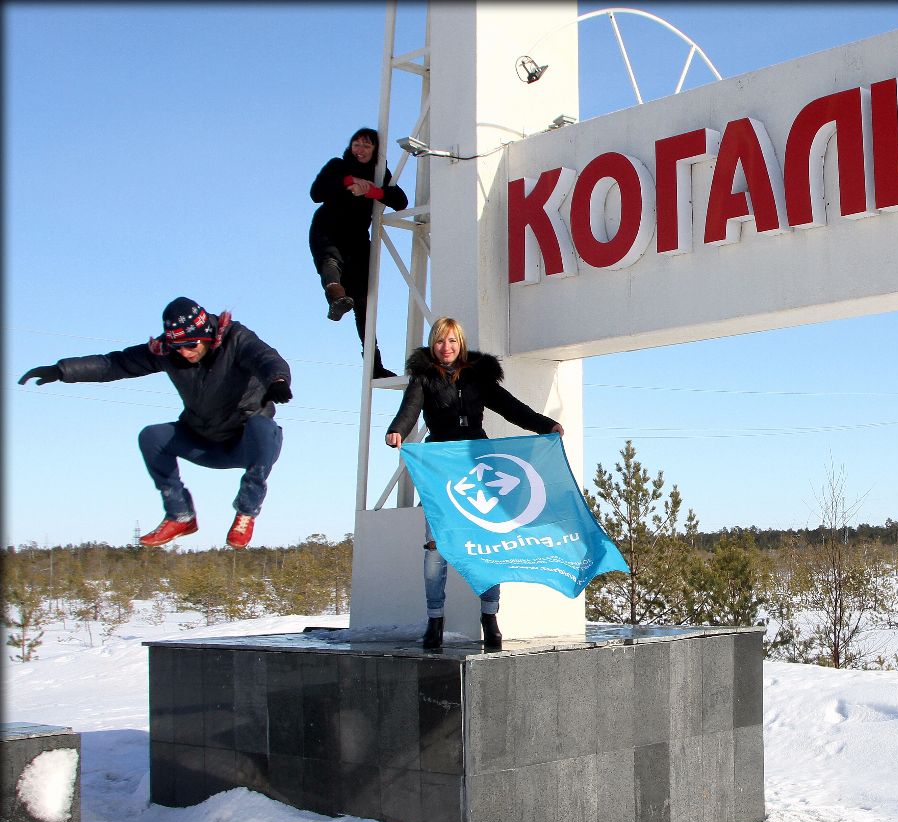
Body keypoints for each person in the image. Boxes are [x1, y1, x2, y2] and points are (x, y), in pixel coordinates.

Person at [18, 297, 291, 550]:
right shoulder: (166, 351)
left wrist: (277, 379)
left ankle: (246, 511)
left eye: (191, 345)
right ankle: (180, 515)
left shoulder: (236, 338)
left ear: (208, 335)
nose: (184, 353)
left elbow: (265, 358)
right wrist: (62, 370)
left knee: (265, 428)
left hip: (244, 443)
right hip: (204, 441)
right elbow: (115, 364)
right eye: (177, 347)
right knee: (152, 436)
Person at [385, 316, 564, 650]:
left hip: (480, 464)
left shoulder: (478, 376)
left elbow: (511, 407)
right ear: (433, 345)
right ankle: (435, 620)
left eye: (452, 341)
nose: (446, 347)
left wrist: (545, 425)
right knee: (436, 546)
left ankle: (490, 615)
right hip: (441, 467)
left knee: (488, 544)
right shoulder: (424, 378)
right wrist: (397, 429)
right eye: (440, 341)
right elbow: (408, 410)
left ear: (461, 344)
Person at [308, 127, 409, 378]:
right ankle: (335, 295)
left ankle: (373, 364)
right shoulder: (338, 166)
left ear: (375, 150)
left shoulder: (378, 174)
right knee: (331, 261)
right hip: (328, 228)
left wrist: (372, 191)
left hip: (356, 239)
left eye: (366, 145)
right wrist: (349, 182)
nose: (360, 149)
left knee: (363, 302)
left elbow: (400, 200)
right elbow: (316, 192)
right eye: (357, 144)